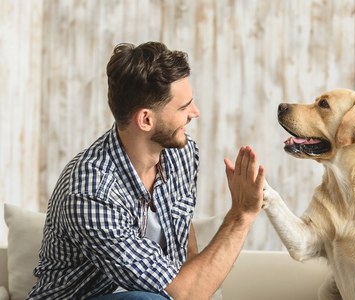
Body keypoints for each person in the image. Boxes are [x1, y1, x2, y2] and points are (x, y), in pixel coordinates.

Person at [28, 41, 266, 300]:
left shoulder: (182, 154)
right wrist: (241, 215)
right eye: (184, 107)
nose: (195, 113)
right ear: (146, 120)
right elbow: (185, 292)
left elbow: (184, 242)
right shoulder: (90, 191)